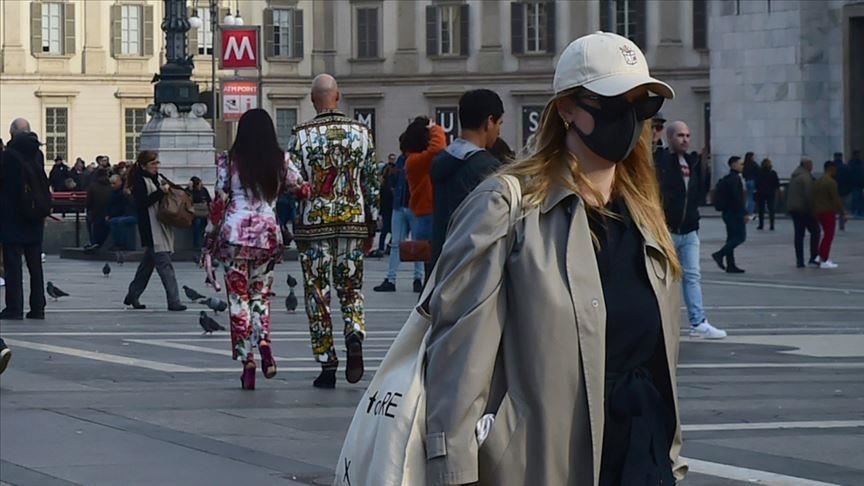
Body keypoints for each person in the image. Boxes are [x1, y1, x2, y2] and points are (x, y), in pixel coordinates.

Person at [424, 32, 685, 486]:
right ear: (566, 108)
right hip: (545, 465)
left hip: (642, 459)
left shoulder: (645, 214)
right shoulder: (506, 208)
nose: (628, 120)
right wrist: (453, 470)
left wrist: (673, 456)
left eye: (641, 106)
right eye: (612, 103)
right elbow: (458, 355)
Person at [288, 74, 379, 389]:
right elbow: (372, 182)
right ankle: (354, 332)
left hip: (314, 225)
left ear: (314, 100)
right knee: (351, 288)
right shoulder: (361, 133)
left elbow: (292, 183)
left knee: (318, 293)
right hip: (353, 221)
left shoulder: (300, 136)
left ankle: (327, 362)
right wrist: (372, 224)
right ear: (337, 96)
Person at [203, 108, 301, 390]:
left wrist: (208, 239)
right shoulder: (281, 160)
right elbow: (301, 187)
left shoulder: (228, 160)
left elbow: (218, 201)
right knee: (261, 295)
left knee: (238, 299)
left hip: (235, 234)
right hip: (268, 235)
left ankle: (247, 359)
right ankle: (265, 343)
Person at [655, 120, 727, 339]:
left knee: (692, 276)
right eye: (680, 136)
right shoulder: (662, 161)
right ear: (670, 138)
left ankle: (698, 323)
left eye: (687, 135)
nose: (685, 140)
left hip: (689, 230)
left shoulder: (693, 162)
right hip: (667, 230)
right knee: (663, 279)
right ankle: (660, 323)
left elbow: (698, 193)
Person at [430, 89, 505, 268]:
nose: (499, 131)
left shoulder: (441, 159)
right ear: (489, 122)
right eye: (499, 123)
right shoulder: (486, 167)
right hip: (470, 267)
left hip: (439, 263)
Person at [122, 150, 186, 311]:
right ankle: (174, 301)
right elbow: (142, 203)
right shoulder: (139, 181)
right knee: (165, 266)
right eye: (153, 163)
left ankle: (133, 294)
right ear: (144, 165)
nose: (156, 166)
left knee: (147, 266)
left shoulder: (157, 178)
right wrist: (160, 192)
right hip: (151, 228)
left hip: (160, 225)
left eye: (157, 163)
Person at [0, 118, 49, 320]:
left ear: (12, 133)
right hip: (35, 216)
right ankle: (38, 307)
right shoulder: (37, 153)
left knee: (13, 266)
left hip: (12, 217)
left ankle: (14, 307)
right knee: (35, 265)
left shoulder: (9, 155)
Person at [373, 148, 425, 293]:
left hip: (408, 205)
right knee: (400, 243)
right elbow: (393, 182)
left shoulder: (415, 158)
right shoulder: (402, 160)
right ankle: (400, 279)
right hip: (402, 205)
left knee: (414, 244)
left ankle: (413, 278)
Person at [404, 117, 447, 280]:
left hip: (423, 215)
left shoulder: (413, 160)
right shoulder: (417, 160)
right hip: (429, 215)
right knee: (435, 271)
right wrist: (435, 128)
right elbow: (438, 148)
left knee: (432, 272)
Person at [712, 156, 748, 274]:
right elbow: (737, 198)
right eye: (740, 164)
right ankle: (719, 254)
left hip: (727, 212)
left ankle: (731, 265)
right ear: (733, 165)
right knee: (740, 237)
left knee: (731, 238)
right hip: (734, 213)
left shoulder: (728, 178)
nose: (742, 166)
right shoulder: (735, 179)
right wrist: (744, 213)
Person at [812, 161, 847, 269]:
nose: (836, 171)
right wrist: (842, 212)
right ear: (830, 168)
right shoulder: (831, 182)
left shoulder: (818, 181)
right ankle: (824, 259)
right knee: (829, 235)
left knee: (826, 235)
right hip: (828, 211)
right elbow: (835, 199)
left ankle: (819, 256)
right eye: (834, 169)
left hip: (819, 211)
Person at [786, 159, 821, 268]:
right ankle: (813, 257)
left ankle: (799, 260)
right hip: (804, 209)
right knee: (815, 231)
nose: (812, 167)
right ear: (806, 165)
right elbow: (809, 195)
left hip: (794, 209)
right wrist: (814, 210)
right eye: (810, 165)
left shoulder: (795, 176)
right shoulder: (806, 177)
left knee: (799, 235)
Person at [369, 154, 396, 258]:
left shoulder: (391, 172)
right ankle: (384, 247)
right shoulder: (386, 184)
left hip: (390, 207)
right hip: (388, 207)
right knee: (387, 229)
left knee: (389, 230)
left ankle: (385, 247)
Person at [84, 169, 113, 251]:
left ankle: (94, 242)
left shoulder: (92, 186)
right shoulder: (110, 186)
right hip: (108, 213)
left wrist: (89, 210)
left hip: (95, 213)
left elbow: (88, 202)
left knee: (92, 223)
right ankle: (102, 243)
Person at [106, 174, 138, 250]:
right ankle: (116, 243)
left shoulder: (131, 192)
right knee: (113, 221)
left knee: (121, 221)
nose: (112, 186)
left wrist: (129, 195)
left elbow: (135, 204)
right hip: (127, 214)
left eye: (114, 183)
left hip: (135, 214)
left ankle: (123, 244)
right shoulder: (115, 192)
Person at [755, 157, 780, 230]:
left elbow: (757, 183)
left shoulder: (759, 173)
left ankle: (761, 224)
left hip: (761, 193)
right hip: (770, 193)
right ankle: (772, 225)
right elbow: (776, 184)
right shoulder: (773, 173)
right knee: (771, 209)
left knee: (761, 210)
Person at [188, 176, 212, 250]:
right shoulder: (190, 191)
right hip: (195, 214)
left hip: (204, 212)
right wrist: (190, 189)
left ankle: (205, 244)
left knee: (206, 224)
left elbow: (209, 200)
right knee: (197, 222)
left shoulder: (204, 190)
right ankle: (196, 244)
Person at [742, 151, 758, 216]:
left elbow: (743, 174)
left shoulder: (745, 164)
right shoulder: (754, 164)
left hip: (747, 181)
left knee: (749, 197)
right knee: (752, 198)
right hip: (753, 180)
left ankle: (747, 210)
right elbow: (758, 171)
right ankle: (750, 212)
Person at [849, 149, 864, 217]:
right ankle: (856, 211)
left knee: (859, 198)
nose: (859, 156)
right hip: (855, 183)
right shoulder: (852, 163)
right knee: (856, 198)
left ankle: (859, 211)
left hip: (860, 184)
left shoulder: (860, 162)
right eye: (857, 154)